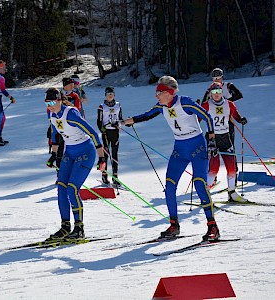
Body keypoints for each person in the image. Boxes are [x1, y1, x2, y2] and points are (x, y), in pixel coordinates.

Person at [124, 76, 220, 241]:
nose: (156, 96)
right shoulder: (162, 105)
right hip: (180, 148)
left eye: (159, 92)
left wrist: (211, 139)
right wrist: (128, 121)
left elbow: (207, 117)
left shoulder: (185, 102)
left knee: (199, 183)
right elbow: (148, 115)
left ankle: (212, 226)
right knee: (169, 186)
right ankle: (174, 225)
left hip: (197, 146)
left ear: (169, 92)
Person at [45, 87, 106, 240]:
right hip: (70, 153)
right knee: (61, 188)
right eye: (47, 103)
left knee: (72, 189)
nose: (50, 106)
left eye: (52, 102)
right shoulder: (53, 115)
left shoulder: (70, 114)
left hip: (86, 152)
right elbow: (54, 134)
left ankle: (79, 228)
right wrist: (53, 155)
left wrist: (102, 158)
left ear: (59, 100)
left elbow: (92, 133)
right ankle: (65, 226)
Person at [201, 82, 248, 201]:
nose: (216, 94)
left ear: (222, 91)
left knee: (231, 167)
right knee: (214, 168)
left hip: (225, 138)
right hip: (212, 138)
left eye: (218, 91)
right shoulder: (206, 105)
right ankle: (205, 194)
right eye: (214, 92)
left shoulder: (229, 104)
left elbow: (236, 116)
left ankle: (232, 193)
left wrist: (241, 120)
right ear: (210, 93)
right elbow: (197, 119)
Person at [97, 86, 123, 186]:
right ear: (105, 95)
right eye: (108, 94)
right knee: (106, 155)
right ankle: (104, 175)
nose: (110, 96)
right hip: (106, 133)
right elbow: (99, 121)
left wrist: (120, 124)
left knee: (115, 154)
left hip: (115, 132)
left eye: (112, 94)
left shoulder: (118, 105)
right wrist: (102, 129)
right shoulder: (101, 106)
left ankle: (115, 177)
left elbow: (120, 118)